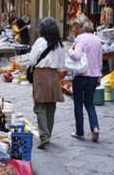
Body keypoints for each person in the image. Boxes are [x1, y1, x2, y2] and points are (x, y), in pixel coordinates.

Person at [28, 17, 66, 149]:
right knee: (51, 105)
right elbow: (62, 64)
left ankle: (44, 135)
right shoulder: (59, 44)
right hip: (54, 75)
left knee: (40, 106)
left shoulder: (40, 41)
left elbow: (32, 59)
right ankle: (48, 133)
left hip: (41, 75)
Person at [69, 14, 103, 142]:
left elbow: (76, 56)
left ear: (80, 27)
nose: (75, 31)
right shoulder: (97, 39)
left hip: (81, 75)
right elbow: (99, 61)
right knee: (89, 103)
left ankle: (80, 132)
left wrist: (69, 51)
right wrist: (99, 76)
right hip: (93, 76)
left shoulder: (80, 39)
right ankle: (95, 127)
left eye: (76, 28)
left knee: (78, 103)